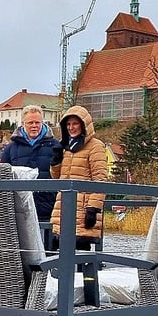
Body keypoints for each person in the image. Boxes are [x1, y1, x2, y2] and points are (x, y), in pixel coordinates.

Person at [50, 105, 108, 250]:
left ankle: (86, 273)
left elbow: (100, 179)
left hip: (83, 207)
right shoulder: (65, 147)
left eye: (75, 123)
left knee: (82, 251)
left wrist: (93, 208)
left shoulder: (95, 146)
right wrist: (55, 161)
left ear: (84, 125)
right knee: (61, 251)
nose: (71, 127)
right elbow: (57, 178)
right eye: (68, 124)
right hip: (64, 205)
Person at [0, 105, 61, 221]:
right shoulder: (11, 149)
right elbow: (2, 177)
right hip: (19, 210)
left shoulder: (55, 147)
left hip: (48, 209)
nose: (34, 126)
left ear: (42, 123)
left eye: (37, 123)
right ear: (23, 123)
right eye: (30, 123)